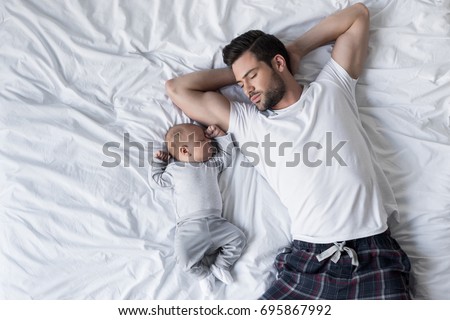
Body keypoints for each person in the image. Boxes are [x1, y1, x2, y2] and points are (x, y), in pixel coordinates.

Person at [165, 3, 411, 299]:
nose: (247, 89)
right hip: (309, 262)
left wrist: (295, 49)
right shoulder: (248, 123)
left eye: (252, 76)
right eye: (241, 84)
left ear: (278, 63)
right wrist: (241, 72)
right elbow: (177, 89)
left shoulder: (333, 88)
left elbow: (358, 15)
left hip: (373, 255)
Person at [150, 123, 247, 296]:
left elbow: (227, 155)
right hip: (190, 227)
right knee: (184, 259)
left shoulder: (211, 164)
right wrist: (159, 162)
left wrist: (220, 135)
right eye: (203, 140)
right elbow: (157, 180)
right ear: (185, 151)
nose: (209, 141)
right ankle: (203, 275)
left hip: (217, 223)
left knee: (238, 238)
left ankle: (221, 265)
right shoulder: (174, 170)